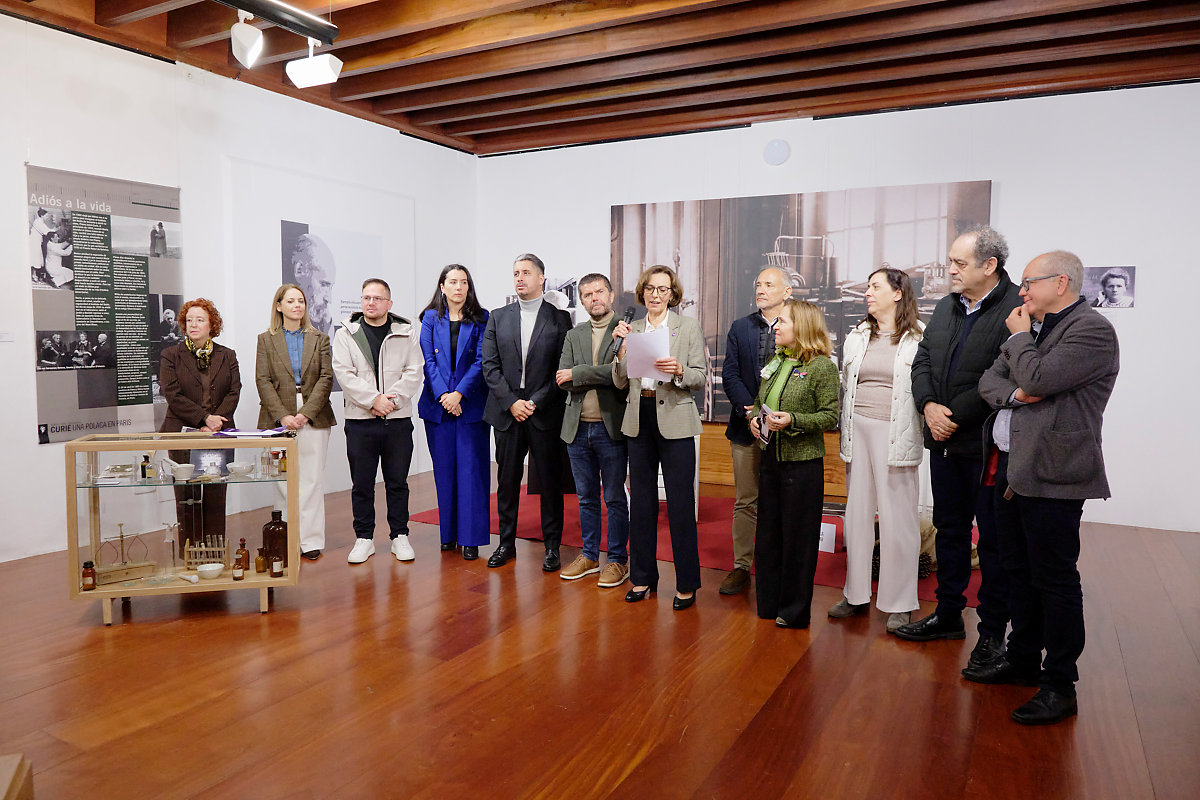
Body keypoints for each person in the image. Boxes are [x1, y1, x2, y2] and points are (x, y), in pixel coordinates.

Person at [970, 250, 1119, 725]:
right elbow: (989, 382)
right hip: (1010, 469)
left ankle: (1059, 683)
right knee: (1017, 569)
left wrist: (1020, 348)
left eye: (1030, 283)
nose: (1022, 292)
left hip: (1055, 471)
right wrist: (1017, 392)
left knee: (1053, 579)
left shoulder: (1091, 330)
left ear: (1060, 282)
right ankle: (1021, 661)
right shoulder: (1032, 332)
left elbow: (1039, 376)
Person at [895, 225, 1022, 672]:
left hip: (986, 445)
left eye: (959, 263)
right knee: (949, 530)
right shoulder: (948, 305)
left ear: (990, 266)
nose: (949, 269)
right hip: (943, 440)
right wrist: (929, 405)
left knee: (992, 541)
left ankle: (991, 634)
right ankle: (948, 614)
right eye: (950, 261)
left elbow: (1003, 373)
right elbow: (923, 360)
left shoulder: (1016, 309)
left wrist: (951, 415)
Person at [831, 268, 924, 632]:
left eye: (875, 287)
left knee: (898, 518)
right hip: (858, 431)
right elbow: (845, 385)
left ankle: (900, 602)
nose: (867, 293)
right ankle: (855, 595)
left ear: (898, 294)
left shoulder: (918, 338)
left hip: (896, 433)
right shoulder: (857, 337)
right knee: (856, 516)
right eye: (868, 287)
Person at [612, 265, 705, 610]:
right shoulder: (631, 329)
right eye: (650, 288)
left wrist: (680, 370)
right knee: (643, 505)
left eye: (663, 289)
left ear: (672, 294)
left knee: (681, 505)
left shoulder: (687, 327)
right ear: (642, 292)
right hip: (640, 419)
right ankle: (642, 577)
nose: (655, 294)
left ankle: (686, 584)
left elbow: (698, 376)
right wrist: (620, 352)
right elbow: (620, 381)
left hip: (676, 419)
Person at [747, 299, 839, 627]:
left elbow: (830, 416)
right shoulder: (777, 361)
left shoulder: (821, 367)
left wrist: (794, 419)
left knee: (798, 541)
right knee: (768, 536)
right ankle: (768, 604)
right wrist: (755, 420)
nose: (776, 327)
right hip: (770, 459)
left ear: (801, 327)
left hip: (802, 466)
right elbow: (761, 402)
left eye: (783, 321)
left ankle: (795, 611)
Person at [481, 253, 573, 570]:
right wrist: (511, 402)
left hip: (543, 410)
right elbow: (489, 367)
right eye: (516, 273)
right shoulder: (497, 317)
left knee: (549, 482)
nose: (519, 278)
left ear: (541, 278)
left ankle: (552, 547)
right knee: (507, 481)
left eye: (526, 273)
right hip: (507, 411)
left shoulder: (559, 319)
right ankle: (506, 544)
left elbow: (562, 367)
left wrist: (534, 401)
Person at [332, 279, 424, 565]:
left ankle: (399, 536)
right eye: (366, 298)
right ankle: (364, 538)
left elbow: (414, 371)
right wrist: (374, 400)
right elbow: (344, 375)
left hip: (396, 420)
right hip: (360, 420)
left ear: (389, 303)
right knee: (362, 483)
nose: (370, 303)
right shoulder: (346, 333)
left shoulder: (406, 332)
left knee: (397, 481)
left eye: (377, 298)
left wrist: (391, 401)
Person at [719, 266, 793, 597]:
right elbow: (730, 373)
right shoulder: (741, 327)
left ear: (787, 292)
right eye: (758, 284)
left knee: (781, 501)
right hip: (746, 426)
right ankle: (741, 566)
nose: (761, 289)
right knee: (746, 500)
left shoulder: (800, 326)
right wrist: (748, 411)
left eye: (768, 284)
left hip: (787, 429)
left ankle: (777, 567)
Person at [555, 273, 629, 587]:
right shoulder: (574, 334)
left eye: (599, 292)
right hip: (576, 429)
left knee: (613, 498)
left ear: (611, 296)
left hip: (611, 428)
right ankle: (588, 555)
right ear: (581, 300)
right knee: (585, 498)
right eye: (587, 294)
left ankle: (616, 560)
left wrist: (580, 373)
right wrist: (592, 374)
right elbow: (562, 379)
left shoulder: (626, 331)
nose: (593, 298)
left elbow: (620, 378)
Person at [256, 284, 336, 560]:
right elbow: (262, 380)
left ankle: (310, 541)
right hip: (278, 416)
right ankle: (286, 538)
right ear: (279, 306)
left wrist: (305, 413)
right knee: (283, 479)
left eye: (301, 300)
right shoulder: (266, 339)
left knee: (312, 479)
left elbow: (326, 378)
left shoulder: (320, 338)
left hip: (313, 413)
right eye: (290, 301)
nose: (297, 305)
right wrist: (283, 416)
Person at [417, 265, 491, 561]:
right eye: (453, 282)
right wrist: (445, 396)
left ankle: (471, 538)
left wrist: (459, 393)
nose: (458, 287)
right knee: (444, 471)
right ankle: (447, 534)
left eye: (464, 282)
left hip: (471, 405)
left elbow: (482, 360)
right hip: (438, 407)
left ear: (469, 287)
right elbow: (428, 361)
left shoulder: (483, 318)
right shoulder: (429, 319)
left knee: (472, 472)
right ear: (442, 286)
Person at [159, 297, 241, 555]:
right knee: (187, 495)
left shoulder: (227, 355)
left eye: (200, 320)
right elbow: (172, 394)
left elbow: (234, 391)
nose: (193, 324)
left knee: (216, 493)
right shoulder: (170, 355)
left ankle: (215, 553)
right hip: (183, 434)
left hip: (218, 433)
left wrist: (216, 422)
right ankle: (190, 552)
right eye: (189, 320)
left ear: (211, 325)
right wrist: (204, 419)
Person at [291, 233, 336, 338]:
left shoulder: (324, 326)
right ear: (300, 270)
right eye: (324, 284)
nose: (329, 298)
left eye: (330, 288)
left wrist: (327, 330)